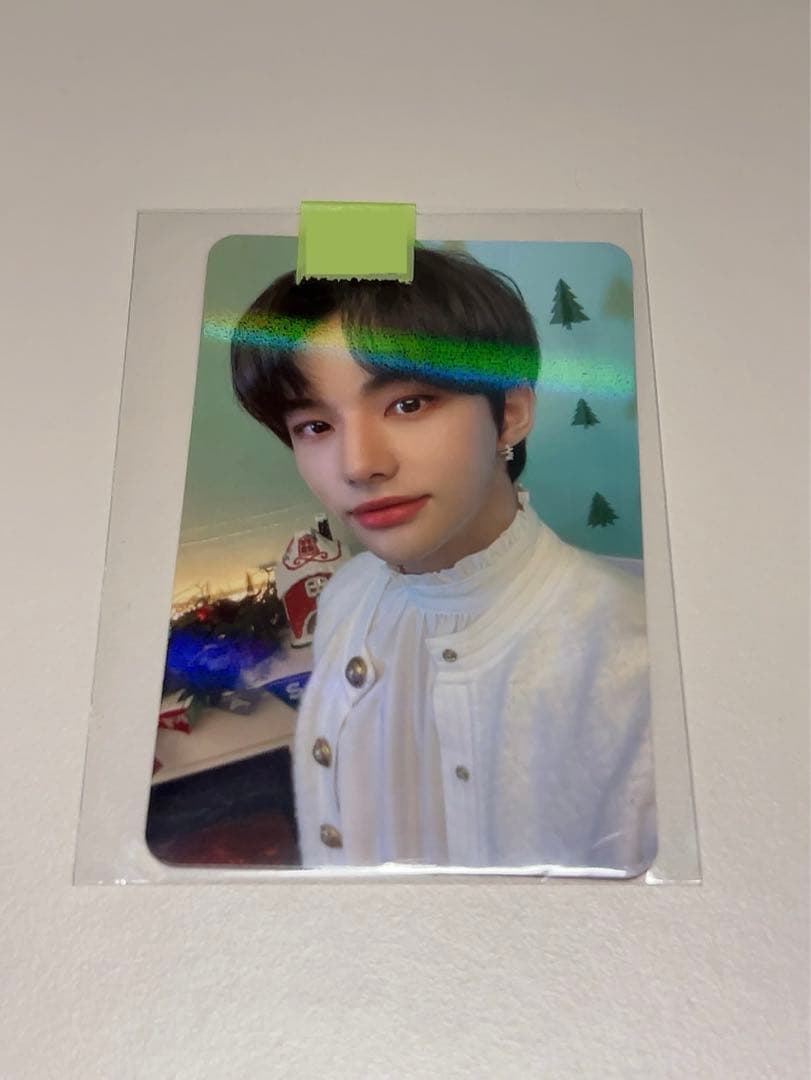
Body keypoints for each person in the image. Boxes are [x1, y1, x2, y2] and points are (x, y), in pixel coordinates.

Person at [230, 246, 657, 875]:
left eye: (409, 404)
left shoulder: (634, 669)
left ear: (510, 413)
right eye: (315, 426)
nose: (358, 465)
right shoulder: (346, 594)